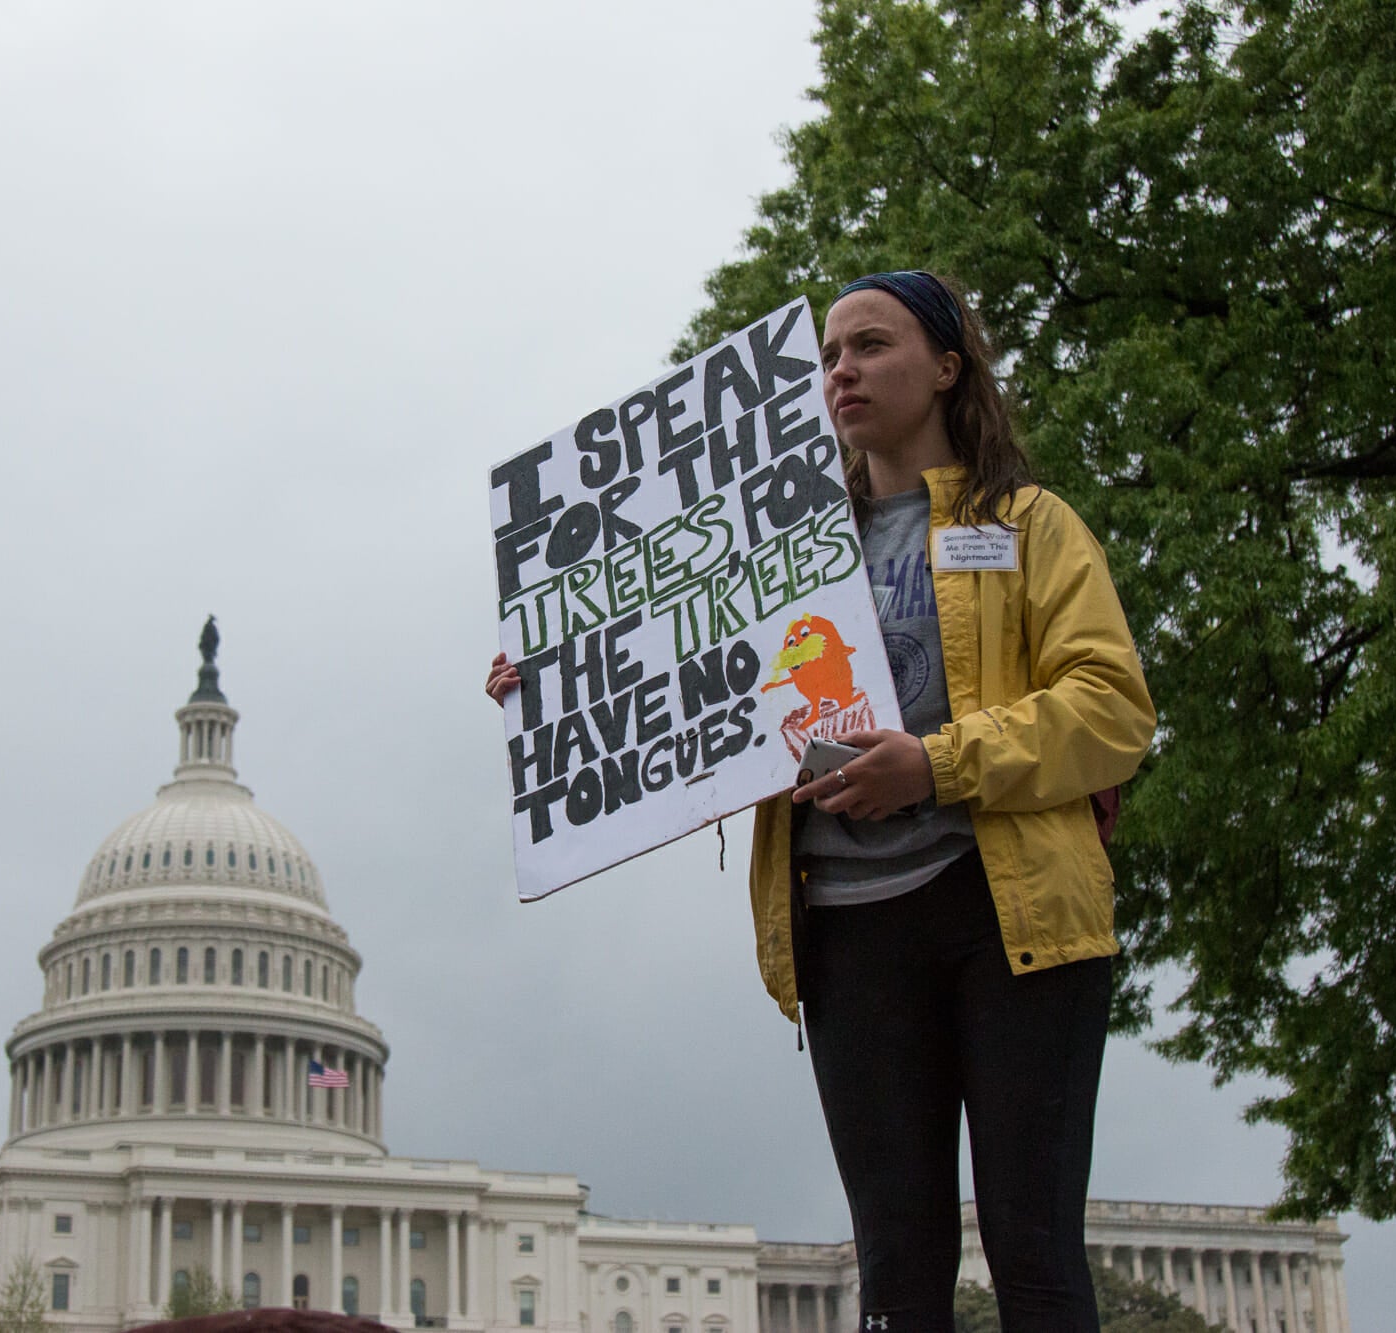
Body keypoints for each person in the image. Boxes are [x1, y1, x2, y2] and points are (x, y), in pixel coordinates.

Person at [486, 271, 1154, 1332]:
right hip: (843, 928)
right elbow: (678, 694)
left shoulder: (1028, 526)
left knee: (1031, 1253)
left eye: (869, 345)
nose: (839, 368)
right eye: (829, 352)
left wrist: (931, 764)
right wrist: (562, 681)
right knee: (893, 1271)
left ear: (945, 368)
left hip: (1011, 919)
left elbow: (1111, 709)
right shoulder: (767, 555)